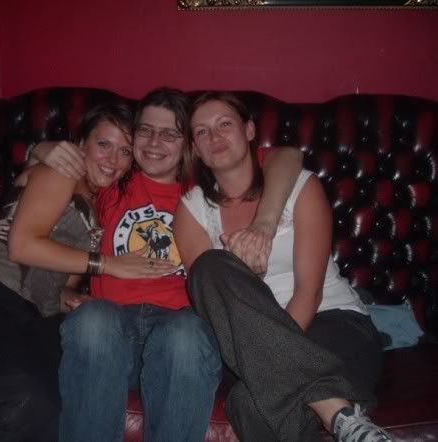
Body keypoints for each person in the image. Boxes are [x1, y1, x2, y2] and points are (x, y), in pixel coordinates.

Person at [32, 87, 304, 442]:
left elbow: (288, 155)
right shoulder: (112, 180)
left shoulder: (202, 188)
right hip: (114, 331)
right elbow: (70, 217)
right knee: (93, 319)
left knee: (185, 334)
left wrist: (265, 222)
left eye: (169, 134)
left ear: (188, 143)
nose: (154, 142)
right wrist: (40, 149)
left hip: (181, 328)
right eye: (145, 130)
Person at [0, 101, 174, 442]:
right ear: (80, 144)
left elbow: (56, 282)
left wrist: (74, 299)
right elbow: (22, 246)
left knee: (52, 402)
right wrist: (110, 264)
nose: (113, 159)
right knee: (21, 394)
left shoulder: (103, 206)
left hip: (28, 314)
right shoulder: (62, 172)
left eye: (124, 151)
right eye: (103, 144)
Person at [174, 91, 392, 442]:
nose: (213, 136)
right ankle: (340, 414)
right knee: (209, 266)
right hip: (241, 345)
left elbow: (310, 291)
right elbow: (211, 304)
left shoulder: (300, 186)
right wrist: (249, 279)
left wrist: (273, 358)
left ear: (249, 130)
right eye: (201, 132)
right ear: (195, 148)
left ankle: (328, 406)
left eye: (224, 124)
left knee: (250, 404)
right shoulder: (192, 210)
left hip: (331, 320)